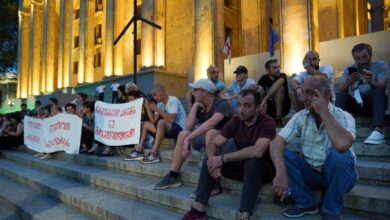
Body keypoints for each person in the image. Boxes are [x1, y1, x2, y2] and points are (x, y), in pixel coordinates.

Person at [270, 76, 357, 219]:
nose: (304, 98)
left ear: (327, 93)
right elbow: (276, 142)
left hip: (340, 175)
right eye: (302, 92)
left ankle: (330, 210)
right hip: (312, 174)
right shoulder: (300, 116)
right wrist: (280, 172)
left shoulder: (344, 116)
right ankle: (305, 202)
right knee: (281, 152)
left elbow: (342, 146)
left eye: (310, 92)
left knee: (341, 156)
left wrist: (324, 112)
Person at [182, 89, 276, 220]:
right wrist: (213, 160)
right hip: (241, 169)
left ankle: (245, 214)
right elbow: (213, 144)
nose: (241, 110)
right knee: (210, 158)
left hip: (263, 171)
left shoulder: (267, 122)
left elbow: (257, 151)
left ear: (258, 108)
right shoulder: (237, 121)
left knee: (252, 161)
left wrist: (223, 158)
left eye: (247, 106)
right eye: (239, 105)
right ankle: (199, 209)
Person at [153, 79, 233, 190]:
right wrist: (195, 105)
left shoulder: (221, 103)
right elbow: (187, 126)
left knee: (210, 132)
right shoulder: (201, 106)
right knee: (183, 134)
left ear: (204, 92)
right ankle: (173, 176)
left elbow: (211, 124)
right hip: (208, 142)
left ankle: (213, 183)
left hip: (227, 143)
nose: (193, 93)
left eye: (195, 90)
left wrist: (189, 139)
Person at [336, 43, 388, 145]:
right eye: (358, 58)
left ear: (370, 56)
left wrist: (371, 81)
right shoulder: (349, 69)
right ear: (354, 59)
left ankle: (378, 130)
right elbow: (341, 89)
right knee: (341, 95)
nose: (361, 61)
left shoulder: (380, 65)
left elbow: (383, 86)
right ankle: (337, 130)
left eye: (364, 57)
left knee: (378, 91)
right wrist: (348, 82)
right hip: (357, 105)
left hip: (374, 104)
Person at [125, 85, 186, 163]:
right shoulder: (160, 104)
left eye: (155, 94)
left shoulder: (173, 100)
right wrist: (148, 107)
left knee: (161, 122)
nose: (154, 97)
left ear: (162, 92)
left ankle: (154, 153)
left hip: (179, 130)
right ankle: (139, 150)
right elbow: (154, 121)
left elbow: (172, 119)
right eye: (153, 95)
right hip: (167, 130)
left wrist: (156, 109)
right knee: (145, 124)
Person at [257, 59, 291, 126]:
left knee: (279, 88)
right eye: (274, 67)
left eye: (278, 66)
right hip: (268, 107)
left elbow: (278, 84)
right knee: (259, 89)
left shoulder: (282, 75)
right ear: (267, 70)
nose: (278, 69)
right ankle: (261, 116)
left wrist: (265, 99)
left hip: (283, 108)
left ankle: (278, 118)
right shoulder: (263, 78)